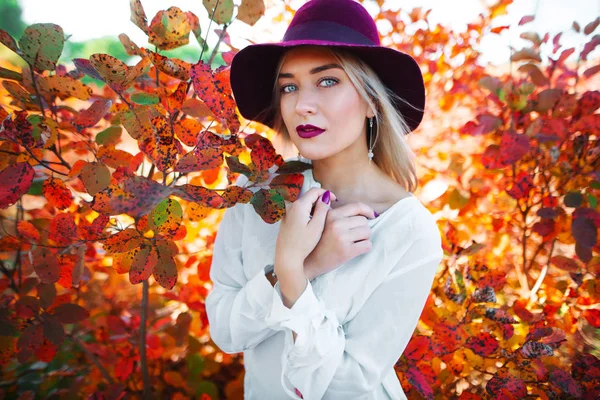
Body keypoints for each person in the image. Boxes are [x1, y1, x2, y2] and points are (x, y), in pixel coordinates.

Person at [205, 0, 444, 399]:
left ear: (371, 101)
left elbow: (352, 382)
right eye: (289, 86)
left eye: (328, 81)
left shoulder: (407, 229)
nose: (302, 105)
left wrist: (295, 279)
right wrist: (301, 264)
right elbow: (227, 333)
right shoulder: (258, 200)